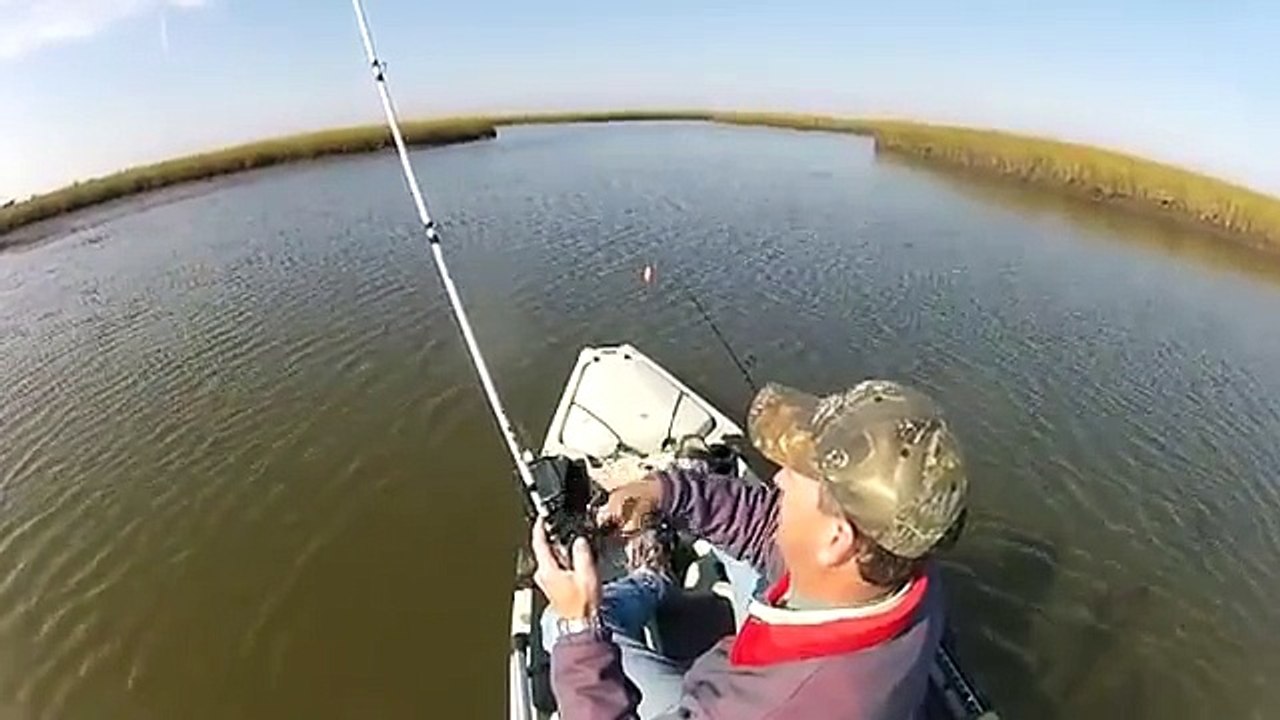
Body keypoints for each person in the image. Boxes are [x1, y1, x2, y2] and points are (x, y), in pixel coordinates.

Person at [532, 379, 969, 719]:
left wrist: (580, 625)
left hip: (731, 697)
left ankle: (651, 577)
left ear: (836, 540)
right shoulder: (905, 566)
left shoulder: (778, 707)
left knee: (558, 625)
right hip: (773, 664)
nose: (777, 478)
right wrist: (664, 492)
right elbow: (763, 525)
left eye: (796, 477)